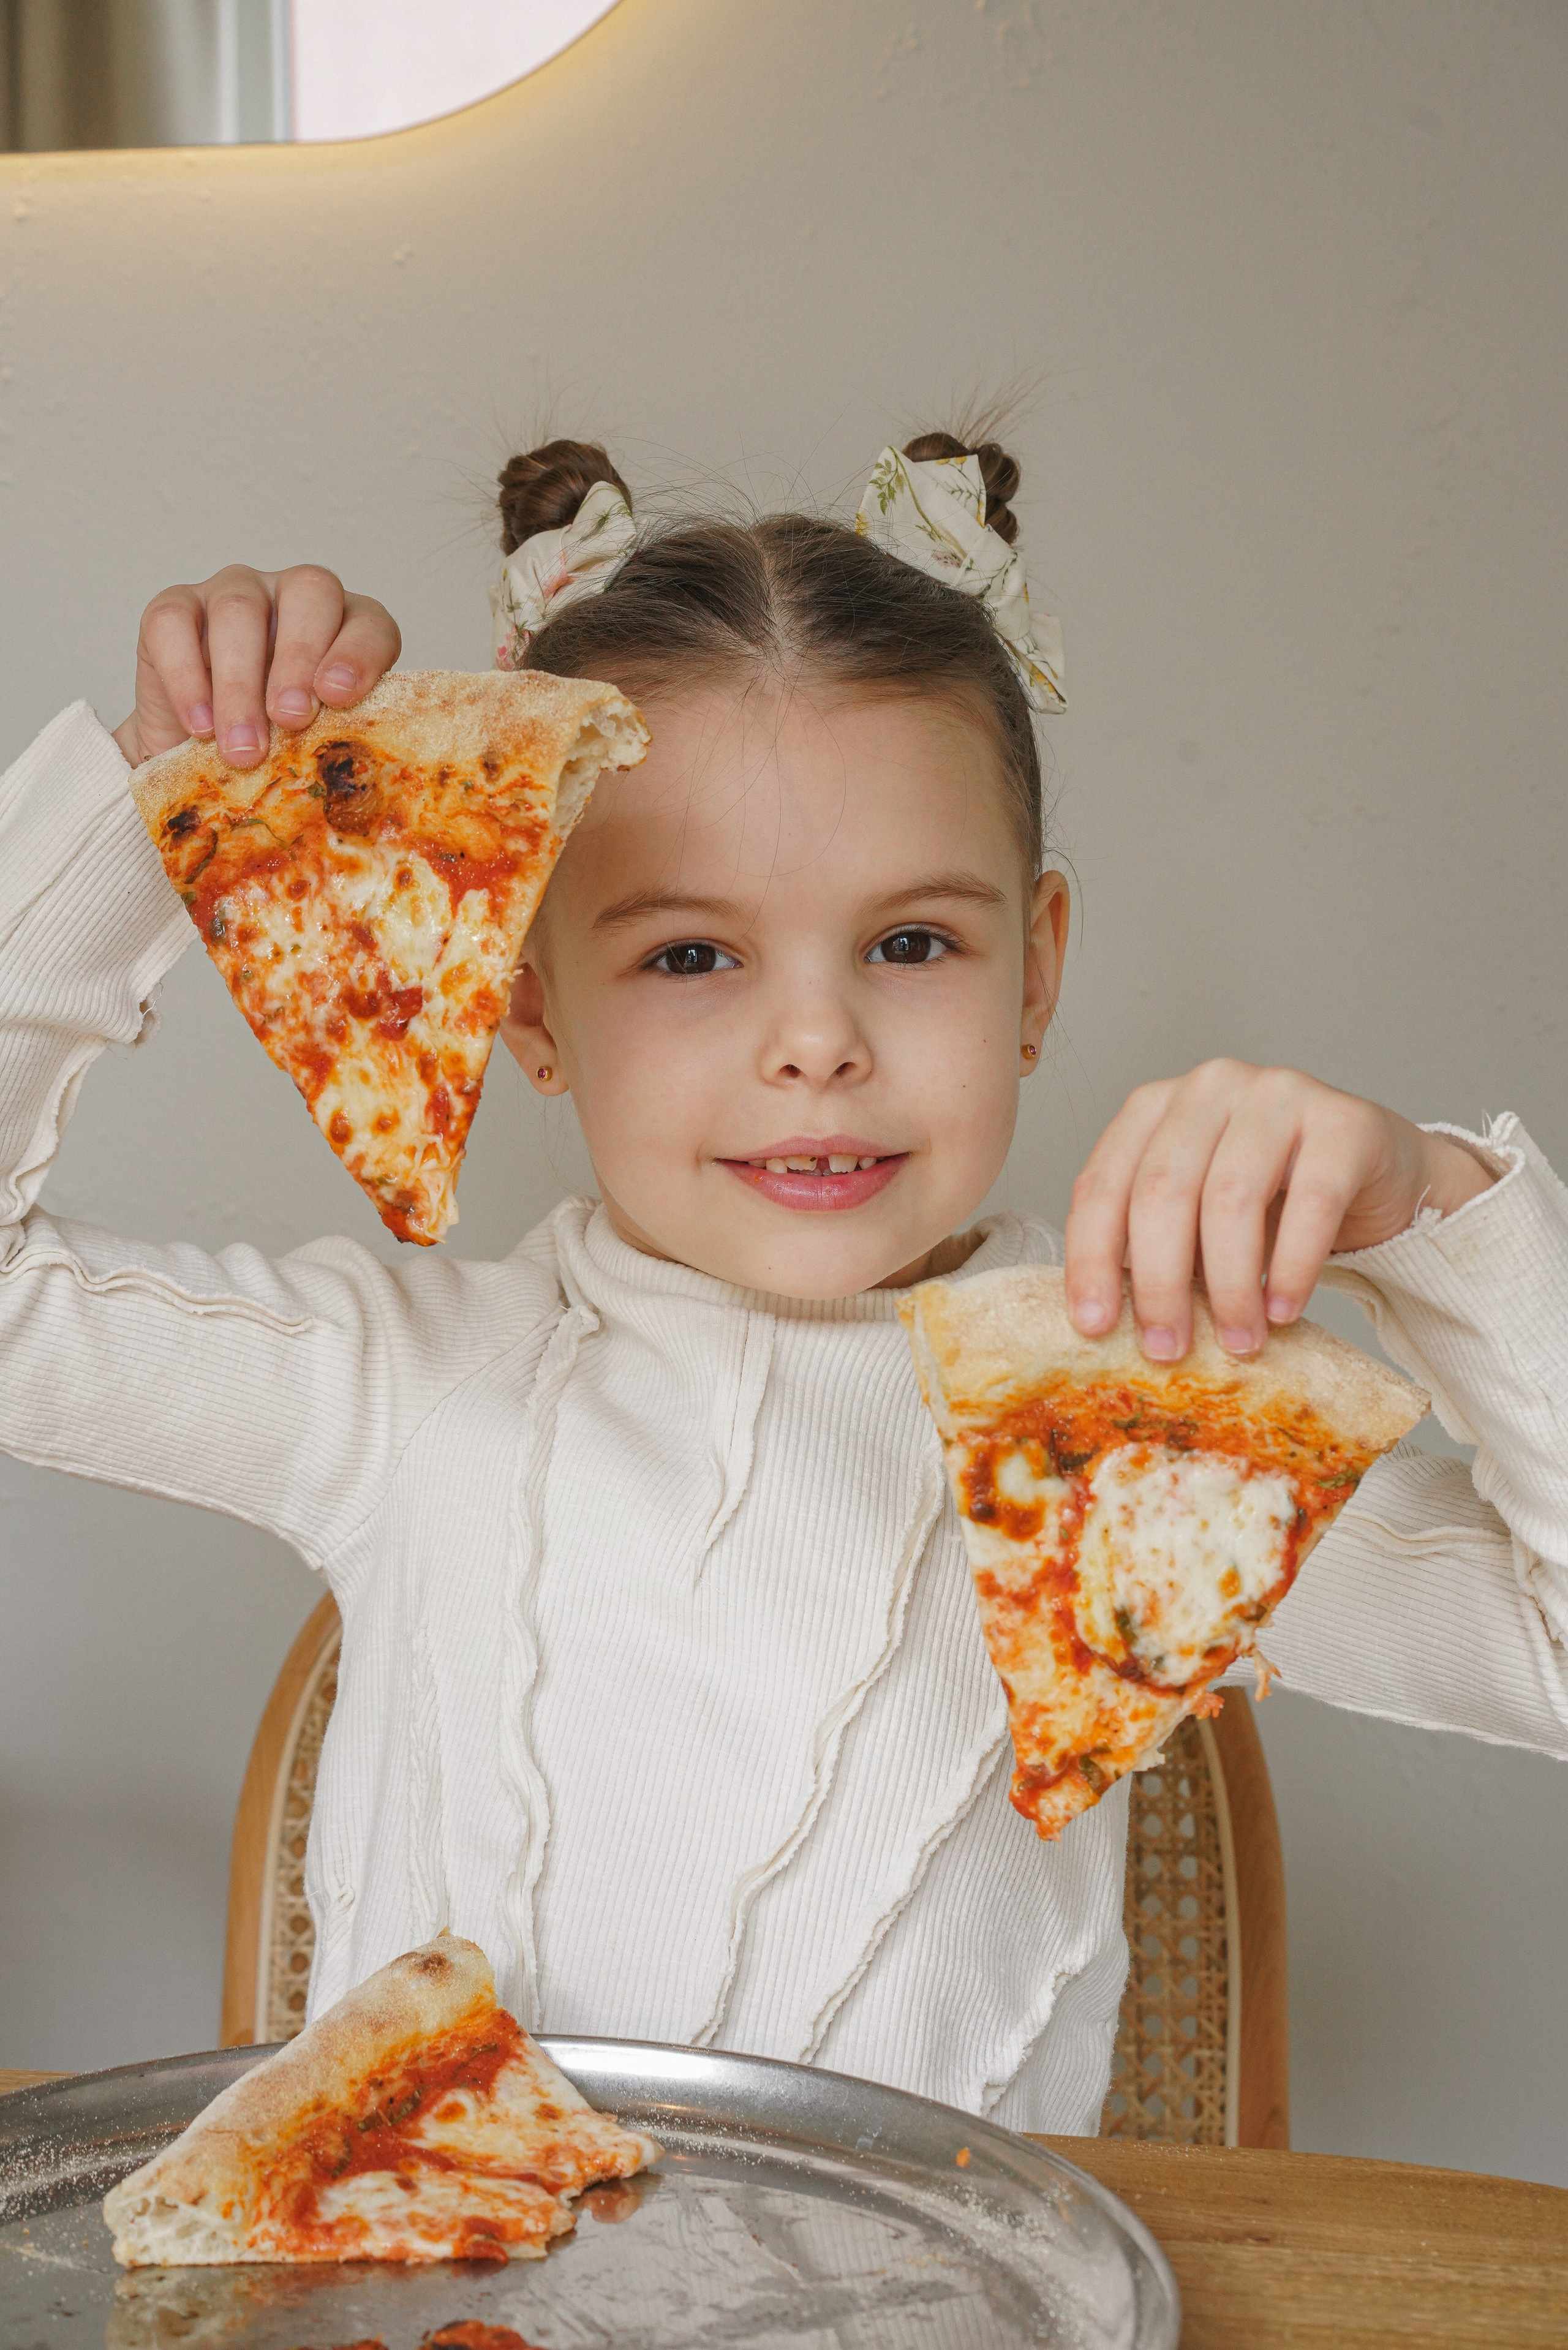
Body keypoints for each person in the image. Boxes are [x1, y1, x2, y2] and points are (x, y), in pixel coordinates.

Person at [2, 430, 1566, 2134]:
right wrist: (159, 792)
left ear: (1036, 974)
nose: (816, 1039)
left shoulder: (1147, 1433)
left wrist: (1435, 1213)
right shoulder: (408, 1388)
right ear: (524, 1005)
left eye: (911, 943)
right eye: (690, 954)